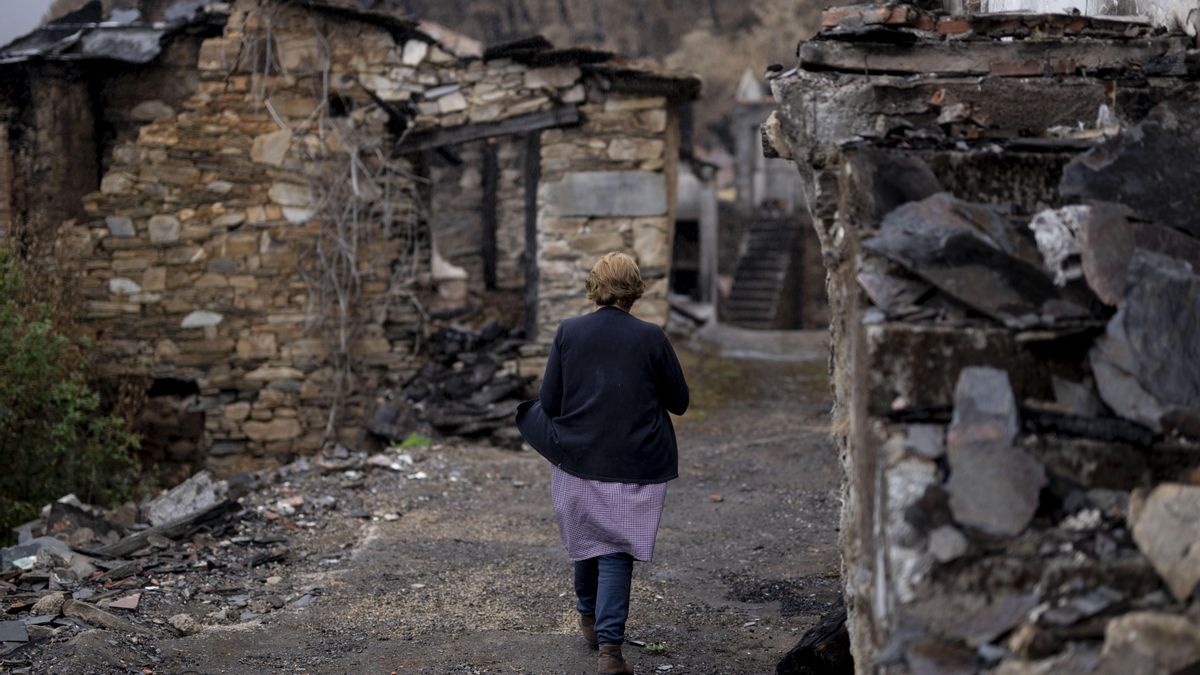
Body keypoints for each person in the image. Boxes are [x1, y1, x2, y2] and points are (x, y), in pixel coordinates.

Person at [516, 251, 689, 674]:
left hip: (578, 456)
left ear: (594, 286)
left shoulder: (569, 331)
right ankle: (610, 652)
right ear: (636, 290)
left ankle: (588, 619)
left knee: (587, 540)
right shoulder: (652, 337)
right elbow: (680, 403)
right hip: (636, 461)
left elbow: (550, 402)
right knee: (615, 552)